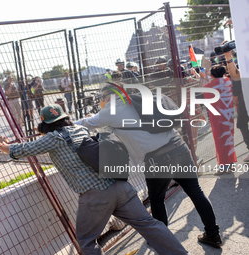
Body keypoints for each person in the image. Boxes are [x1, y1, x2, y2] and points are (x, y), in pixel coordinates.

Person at [0, 103, 189, 255]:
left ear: (44, 124)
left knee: (87, 240)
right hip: (120, 187)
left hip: (95, 196)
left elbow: (23, 150)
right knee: (149, 224)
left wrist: (4, 146)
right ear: (65, 118)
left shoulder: (53, 138)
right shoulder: (79, 130)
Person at [75, 83, 223, 249]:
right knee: (196, 192)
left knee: (157, 201)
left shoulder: (110, 110)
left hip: (158, 159)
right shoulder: (138, 101)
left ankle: (162, 242)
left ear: (107, 98)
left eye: (102, 99)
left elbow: (82, 124)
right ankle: (213, 234)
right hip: (178, 146)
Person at [203, 65, 237, 173]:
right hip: (228, 115)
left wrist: (202, 77)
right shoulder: (227, 81)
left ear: (212, 75)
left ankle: (224, 167)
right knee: (229, 138)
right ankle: (230, 163)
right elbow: (216, 83)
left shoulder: (209, 86)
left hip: (218, 118)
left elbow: (206, 89)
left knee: (221, 140)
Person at [221, 40, 249, 162]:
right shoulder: (244, 62)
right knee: (242, 123)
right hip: (245, 98)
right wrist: (228, 56)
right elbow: (235, 75)